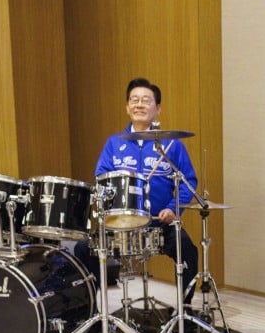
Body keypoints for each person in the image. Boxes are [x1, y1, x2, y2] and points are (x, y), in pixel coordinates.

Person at [76, 77, 199, 304]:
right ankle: (91, 309)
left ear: (158, 109)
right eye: (134, 100)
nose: (139, 104)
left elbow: (188, 181)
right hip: (119, 225)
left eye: (146, 100)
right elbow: (100, 179)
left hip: (159, 224)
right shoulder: (114, 143)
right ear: (127, 106)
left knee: (188, 251)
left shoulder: (172, 145)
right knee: (83, 249)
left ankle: (185, 310)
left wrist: (173, 210)